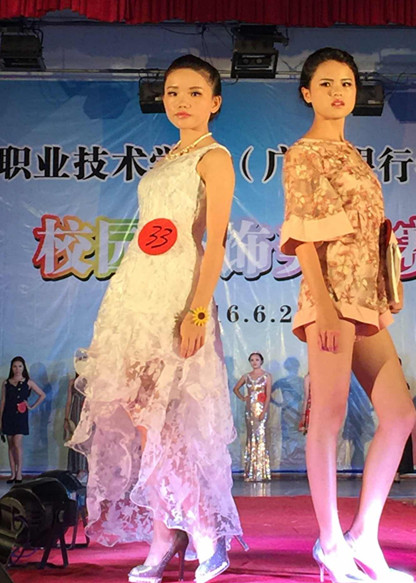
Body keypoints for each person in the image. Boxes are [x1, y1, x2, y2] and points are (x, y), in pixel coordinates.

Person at [68, 54, 243, 583]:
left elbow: (214, 243)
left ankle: (201, 533)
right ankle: (169, 535)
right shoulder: (167, 159)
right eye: (172, 93)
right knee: (146, 421)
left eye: (194, 93)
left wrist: (197, 310)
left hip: (177, 294)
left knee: (167, 423)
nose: (181, 102)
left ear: (214, 102)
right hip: (137, 290)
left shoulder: (214, 157)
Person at [280, 47, 416, 583]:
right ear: (307, 92)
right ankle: (331, 542)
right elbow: (303, 235)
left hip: (365, 301)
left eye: (347, 84)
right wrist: (325, 306)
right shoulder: (304, 153)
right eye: (326, 83)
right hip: (330, 301)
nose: (338, 92)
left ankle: (364, 536)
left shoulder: (354, 154)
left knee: (400, 415)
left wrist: (381, 294)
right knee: (329, 420)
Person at [0, 356, 46, 483]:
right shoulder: (6, 383)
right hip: (8, 415)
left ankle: (19, 472)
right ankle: (12, 473)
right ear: (11, 368)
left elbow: (42, 395)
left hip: (20, 416)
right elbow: (3, 401)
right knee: (10, 445)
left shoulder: (28, 382)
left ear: (23, 367)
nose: (17, 369)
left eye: (20, 366)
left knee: (17, 442)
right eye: (14, 366)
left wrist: (31, 407)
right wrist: (0, 419)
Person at [233, 352, 272, 482]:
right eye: (252, 360)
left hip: (261, 410)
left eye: (257, 360)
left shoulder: (267, 376)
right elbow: (235, 389)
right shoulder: (247, 376)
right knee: (251, 438)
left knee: (261, 437)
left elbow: (268, 395)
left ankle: (261, 472)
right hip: (249, 411)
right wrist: (243, 398)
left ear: (261, 361)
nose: (254, 362)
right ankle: (251, 472)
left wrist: (264, 411)